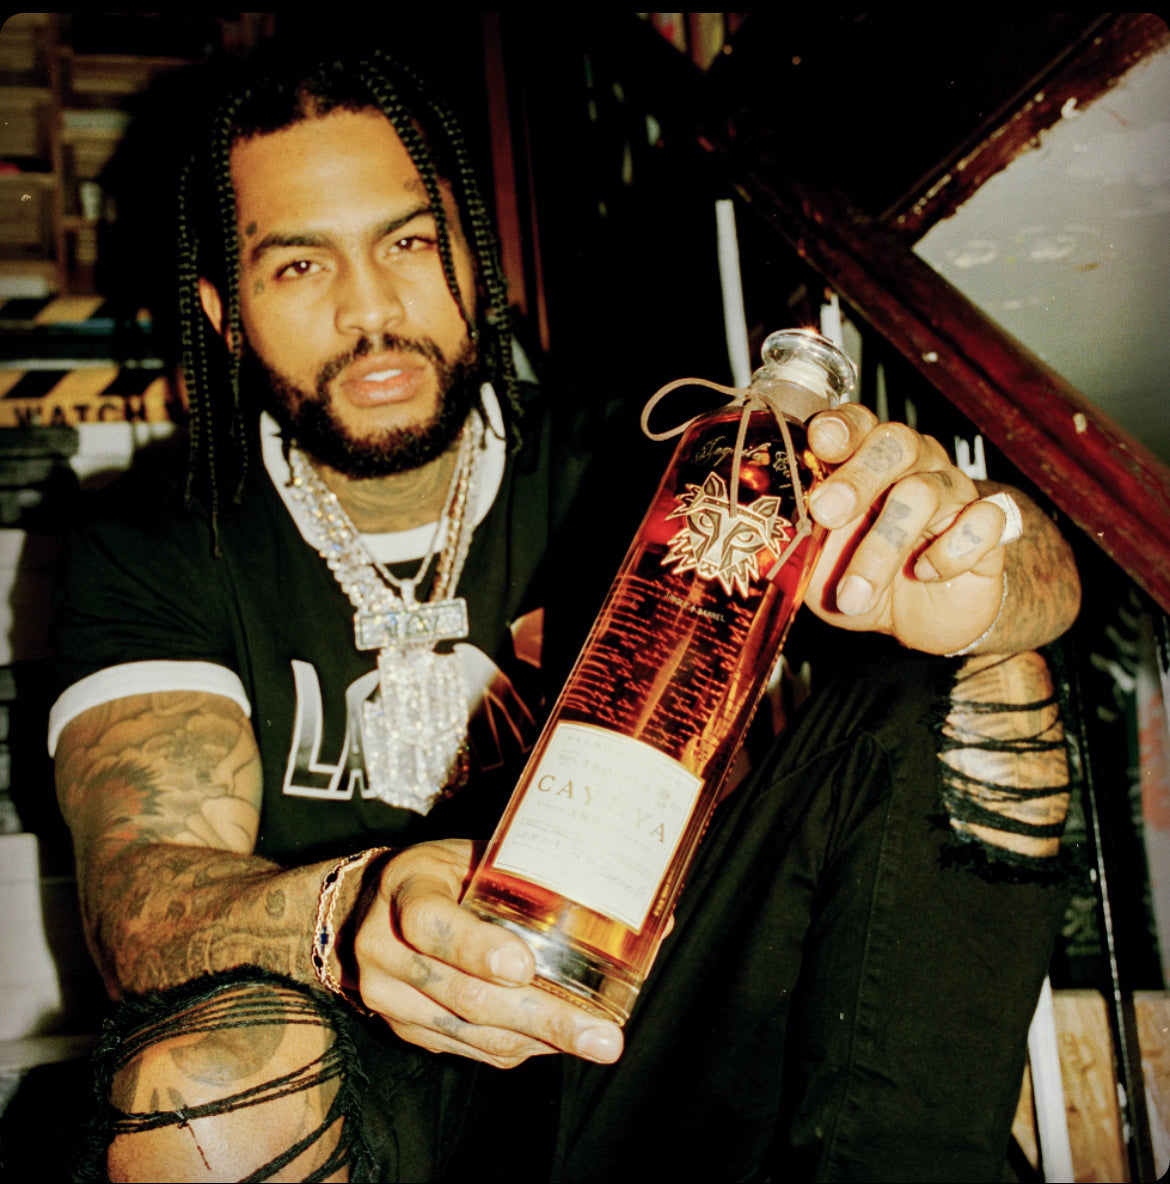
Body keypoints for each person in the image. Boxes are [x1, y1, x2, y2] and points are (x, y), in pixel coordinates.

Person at [49, 42, 1081, 1182]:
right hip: (380, 1063)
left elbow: (1047, 583)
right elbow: (140, 894)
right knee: (197, 1096)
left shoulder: (663, 460)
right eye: (299, 265)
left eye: (410, 242)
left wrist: (977, 564)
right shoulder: (151, 540)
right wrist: (356, 911)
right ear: (226, 311)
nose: (371, 308)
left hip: (661, 1007)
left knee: (984, 669)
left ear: (472, 254)